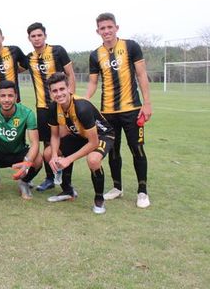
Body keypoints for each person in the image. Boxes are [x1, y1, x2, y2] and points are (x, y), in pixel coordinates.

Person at [86, 12, 152, 208]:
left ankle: (142, 191)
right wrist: (81, 100)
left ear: (116, 27)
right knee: (113, 151)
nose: (106, 31)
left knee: (137, 149)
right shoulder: (95, 55)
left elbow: (141, 75)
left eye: (109, 27)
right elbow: (92, 83)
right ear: (97, 31)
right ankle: (117, 187)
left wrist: (147, 104)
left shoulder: (131, 46)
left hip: (132, 109)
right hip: (107, 113)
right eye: (102, 28)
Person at [47, 72, 115, 214]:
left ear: (68, 89)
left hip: (102, 135)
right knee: (48, 153)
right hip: (80, 134)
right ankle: (68, 190)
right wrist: (54, 155)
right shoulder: (54, 108)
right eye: (55, 91)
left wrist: (68, 159)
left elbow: (93, 142)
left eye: (61, 89)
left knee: (93, 160)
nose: (58, 94)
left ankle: (99, 199)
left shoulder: (81, 107)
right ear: (50, 93)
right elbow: (55, 135)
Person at [24, 22, 76, 192]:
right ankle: (50, 178)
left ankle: (66, 180)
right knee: (47, 143)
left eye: (39, 35)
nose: (37, 38)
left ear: (45, 35)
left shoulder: (57, 51)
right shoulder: (29, 58)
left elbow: (70, 74)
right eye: (33, 36)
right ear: (29, 38)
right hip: (42, 107)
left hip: (61, 105)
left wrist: (71, 99)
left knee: (64, 141)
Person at [0, 80, 42, 199]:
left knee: (38, 159)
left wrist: (27, 162)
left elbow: (35, 143)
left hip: (19, 154)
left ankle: (24, 182)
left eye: (10, 95)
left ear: (16, 97)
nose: (6, 99)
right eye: (3, 95)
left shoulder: (27, 113)